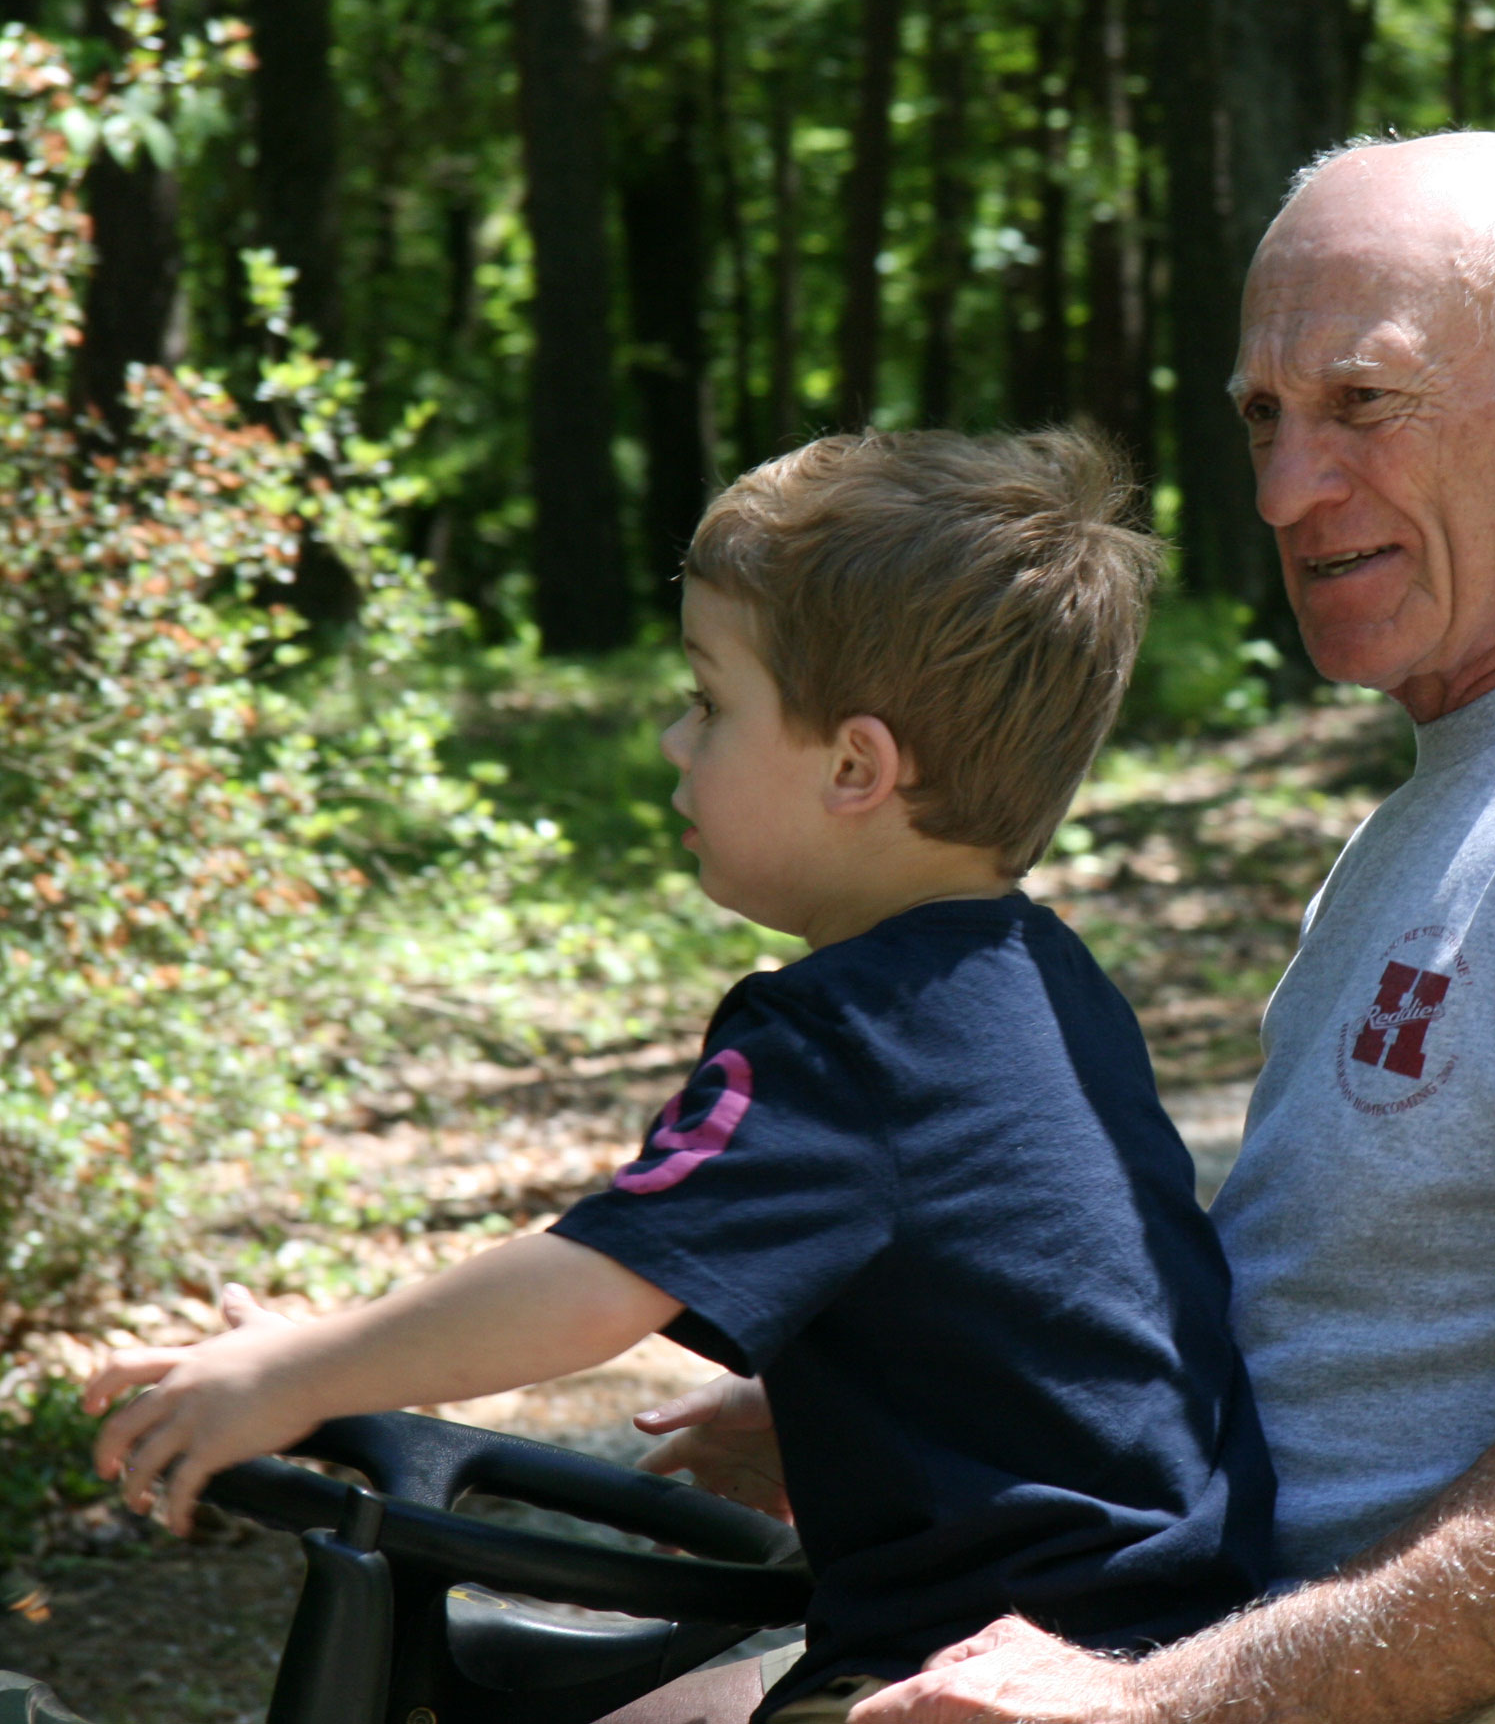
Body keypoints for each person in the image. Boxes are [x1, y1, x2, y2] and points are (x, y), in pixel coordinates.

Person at [831, 133, 1495, 1723]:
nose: (1284, 490)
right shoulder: (1493, 777)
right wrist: (954, 1427)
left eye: (1362, 403)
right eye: (1262, 417)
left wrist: (1152, 1707)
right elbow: (1336, 1334)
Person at [83, 429, 1274, 1724]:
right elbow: (1050, 1317)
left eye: (709, 702)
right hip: (1169, 1650)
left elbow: (594, 1283)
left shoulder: (846, 1037)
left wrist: (295, 1372)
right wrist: (839, 1407)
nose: (669, 739)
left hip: (980, 1684)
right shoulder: (1041, 983)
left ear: (855, 768)